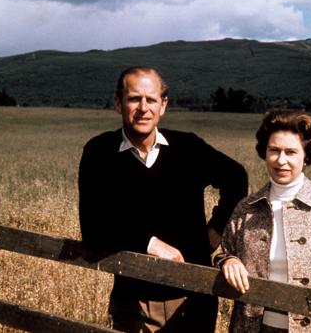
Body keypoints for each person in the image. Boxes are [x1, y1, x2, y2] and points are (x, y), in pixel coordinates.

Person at [78, 66, 248, 332]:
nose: (143, 107)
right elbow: (93, 227)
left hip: (194, 294)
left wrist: (216, 228)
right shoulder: (100, 153)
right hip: (135, 297)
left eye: (151, 99)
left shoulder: (188, 148)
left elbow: (237, 178)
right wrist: (150, 243)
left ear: (163, 105)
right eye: (134, 98)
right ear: (118, 103)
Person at [215, 109, 311, 332]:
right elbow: (223, 253)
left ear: (306, 156)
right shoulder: (246, 209)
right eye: (274, 150)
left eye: (291, 152)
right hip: (253, 327)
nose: (281, 160)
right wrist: (228, 261)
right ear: (264, 152)